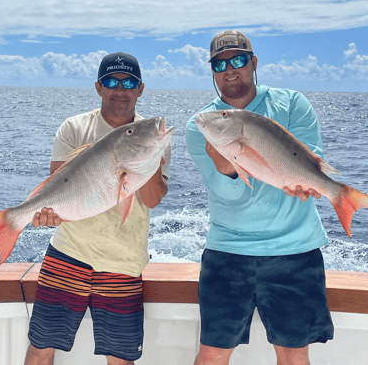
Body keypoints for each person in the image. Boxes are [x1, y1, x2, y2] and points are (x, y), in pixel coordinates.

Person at [186, 30, 334, 365]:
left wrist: (309, 184)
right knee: (211, 355)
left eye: (238, 59)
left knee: (294, 356)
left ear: (254, 62)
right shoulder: (201, 125)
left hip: (294, 251)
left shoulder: (293, 103)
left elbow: (310, 162)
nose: (230, 68)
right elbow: (226, 192)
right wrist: (226, 168)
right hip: (228, 252)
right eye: (220, 63)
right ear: (212, 71)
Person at [24, 52, 171, 365]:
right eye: (111, 81)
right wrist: (45, 213)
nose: (120, 88)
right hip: (68, 253)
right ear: (98, 87)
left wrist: (147, 161)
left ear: (141, 88)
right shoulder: (74, 128)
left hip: (123, 262)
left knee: (120, 358)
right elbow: (57, 187)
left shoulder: (152, 135)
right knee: (40, 347)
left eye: (129, 82)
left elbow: (152, 199)